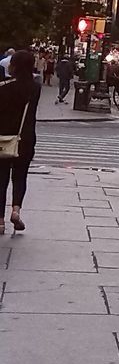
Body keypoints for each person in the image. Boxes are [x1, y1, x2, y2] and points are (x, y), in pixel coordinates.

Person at [0, 50, 40, 234]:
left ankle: (0, 221)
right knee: (20, 176)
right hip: (26, 137)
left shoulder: (4, 86)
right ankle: (16, 210)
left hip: (4, 137)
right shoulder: (35, 88)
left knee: (1, 178)